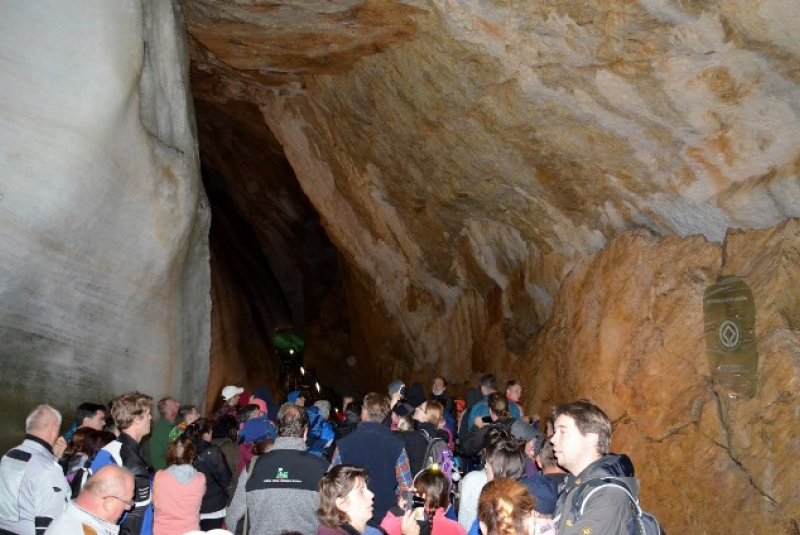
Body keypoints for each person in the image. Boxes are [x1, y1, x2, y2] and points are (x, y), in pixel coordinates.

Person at [226, 404, 329, 535]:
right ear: (305, 432)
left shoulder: (252, 467)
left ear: (276, 428)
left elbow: (233, 517)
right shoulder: (322, 468)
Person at [550, 400, 637, 535]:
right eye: (555, 432)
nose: (552, 439)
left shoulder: (607, 496)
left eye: (563, 432)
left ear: (591, 439)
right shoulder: (576, 482)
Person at [332, 393, 413, 525]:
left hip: (351, 517)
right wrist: (403, 517)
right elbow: (407, 487)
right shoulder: (397, 445)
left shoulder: (344, 444)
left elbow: (333, 482)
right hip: (385, 518)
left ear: (364, 412)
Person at [90, 392, 154, 535]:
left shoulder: (108, 449)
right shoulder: (132, 463)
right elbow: (134, 519)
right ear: (136, 419)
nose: (151, 418)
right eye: (148, 414)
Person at [0, 404, 69, 535]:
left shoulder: (9, 455)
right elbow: (50, 527)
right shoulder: (48, 469)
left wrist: (56, 459)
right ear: (55, 428)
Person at [457, 429, 525, 532]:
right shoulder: (522, 496)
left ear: (500, 469)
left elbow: (463, 526)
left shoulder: (474, 483)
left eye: (488, 463)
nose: (485, 466)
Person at [318, 465, 417, 535]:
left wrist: (398, 511)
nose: (372, 495)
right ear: (342, 504)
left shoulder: (369, 527)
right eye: (361, 491)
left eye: (366, 489)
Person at [46, 464, 135, 534]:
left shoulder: (70, 520)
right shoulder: (83, 531)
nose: (128, 507)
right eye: (127, 502)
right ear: (108, 502)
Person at [380, 467, 465, 535]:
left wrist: (397, 511)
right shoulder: (456, 529)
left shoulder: (404, 525)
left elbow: (384, 530)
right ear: (446, 499)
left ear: (415, 495)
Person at [184, 419, 232, 531]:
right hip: (214, 504)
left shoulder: (186, 449)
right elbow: (226, 478)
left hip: (192, 504)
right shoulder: (213, 451)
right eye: (210, 431)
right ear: (205, 434)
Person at [152, 439, 206, 535]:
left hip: (162, 531)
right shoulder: (201, 478)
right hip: (191, 531)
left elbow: (154, 503)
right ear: (191, 456)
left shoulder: (160, 476)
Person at [461, 394, 516, 458]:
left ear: (490, 410)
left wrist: (475, 427)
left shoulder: (487, 432)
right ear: (508, 407)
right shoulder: (515, 423)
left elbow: (466, 449)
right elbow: (500, 420)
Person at [149, 397, 180, 471]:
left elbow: (174, 437)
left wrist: (187, 423)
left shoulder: (172, 424)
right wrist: (166, 474)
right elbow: (157, 457)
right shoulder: (160, 431)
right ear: (168, 412)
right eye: (174, 404)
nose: (178, 404)